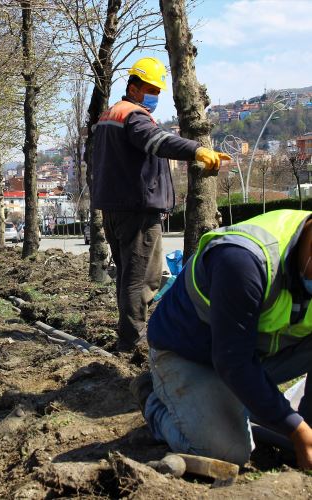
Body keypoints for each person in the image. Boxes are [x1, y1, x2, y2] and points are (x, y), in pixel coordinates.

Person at [136, 209, 312, 469]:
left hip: (256, 353)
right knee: (225, 451)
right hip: (192, 354)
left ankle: (243, 403)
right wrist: (297, 430)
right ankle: (154, 400)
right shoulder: (243, 260)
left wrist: (305, 423)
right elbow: (234, 362)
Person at [92, 56, 230, 351]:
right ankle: (134, 342)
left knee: (129, 276)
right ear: (134, 87)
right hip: (137, 210)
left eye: (157, 90)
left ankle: (128, 335)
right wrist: (197, 150)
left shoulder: (109, 115)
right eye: (151, 89)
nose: (155, 95)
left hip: (115, 208)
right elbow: (157, 142)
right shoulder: (134, 117)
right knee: (143, 278)